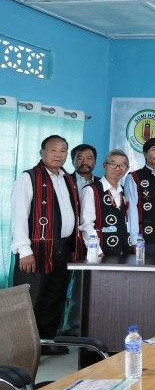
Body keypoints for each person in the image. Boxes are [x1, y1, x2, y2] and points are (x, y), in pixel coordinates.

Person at [11, 135, 80, 353]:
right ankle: (22, 350)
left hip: (62, 248)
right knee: (30, 301)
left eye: (63, 150)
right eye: (53, 150)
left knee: (54, 299)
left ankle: (46, 343)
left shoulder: (67, 178)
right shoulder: (29, 177)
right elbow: (19, 216)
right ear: (42, 153)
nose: (58, 154)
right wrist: (24, 251)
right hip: (36, 251)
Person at [61, 142, 98, 337]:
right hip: (65, 242)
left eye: (89, 158)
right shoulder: (63, 181)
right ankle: (59, 331)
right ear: (73, 160)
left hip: (91, 243)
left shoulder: (101, 184)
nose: (84, 162)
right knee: (60, 286)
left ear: (96, 161)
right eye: (80, 158)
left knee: (83, 287)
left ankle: (75, 328)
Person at [80, 149, 131, 257]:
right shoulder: (91, 190)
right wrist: (97, 252)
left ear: (127, 169)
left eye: (122, 165)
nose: (118, 169)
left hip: (125, 252)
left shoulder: (124, 191)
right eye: (113, 164)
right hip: (101, 253)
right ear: (104, 165)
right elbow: (86, 225)